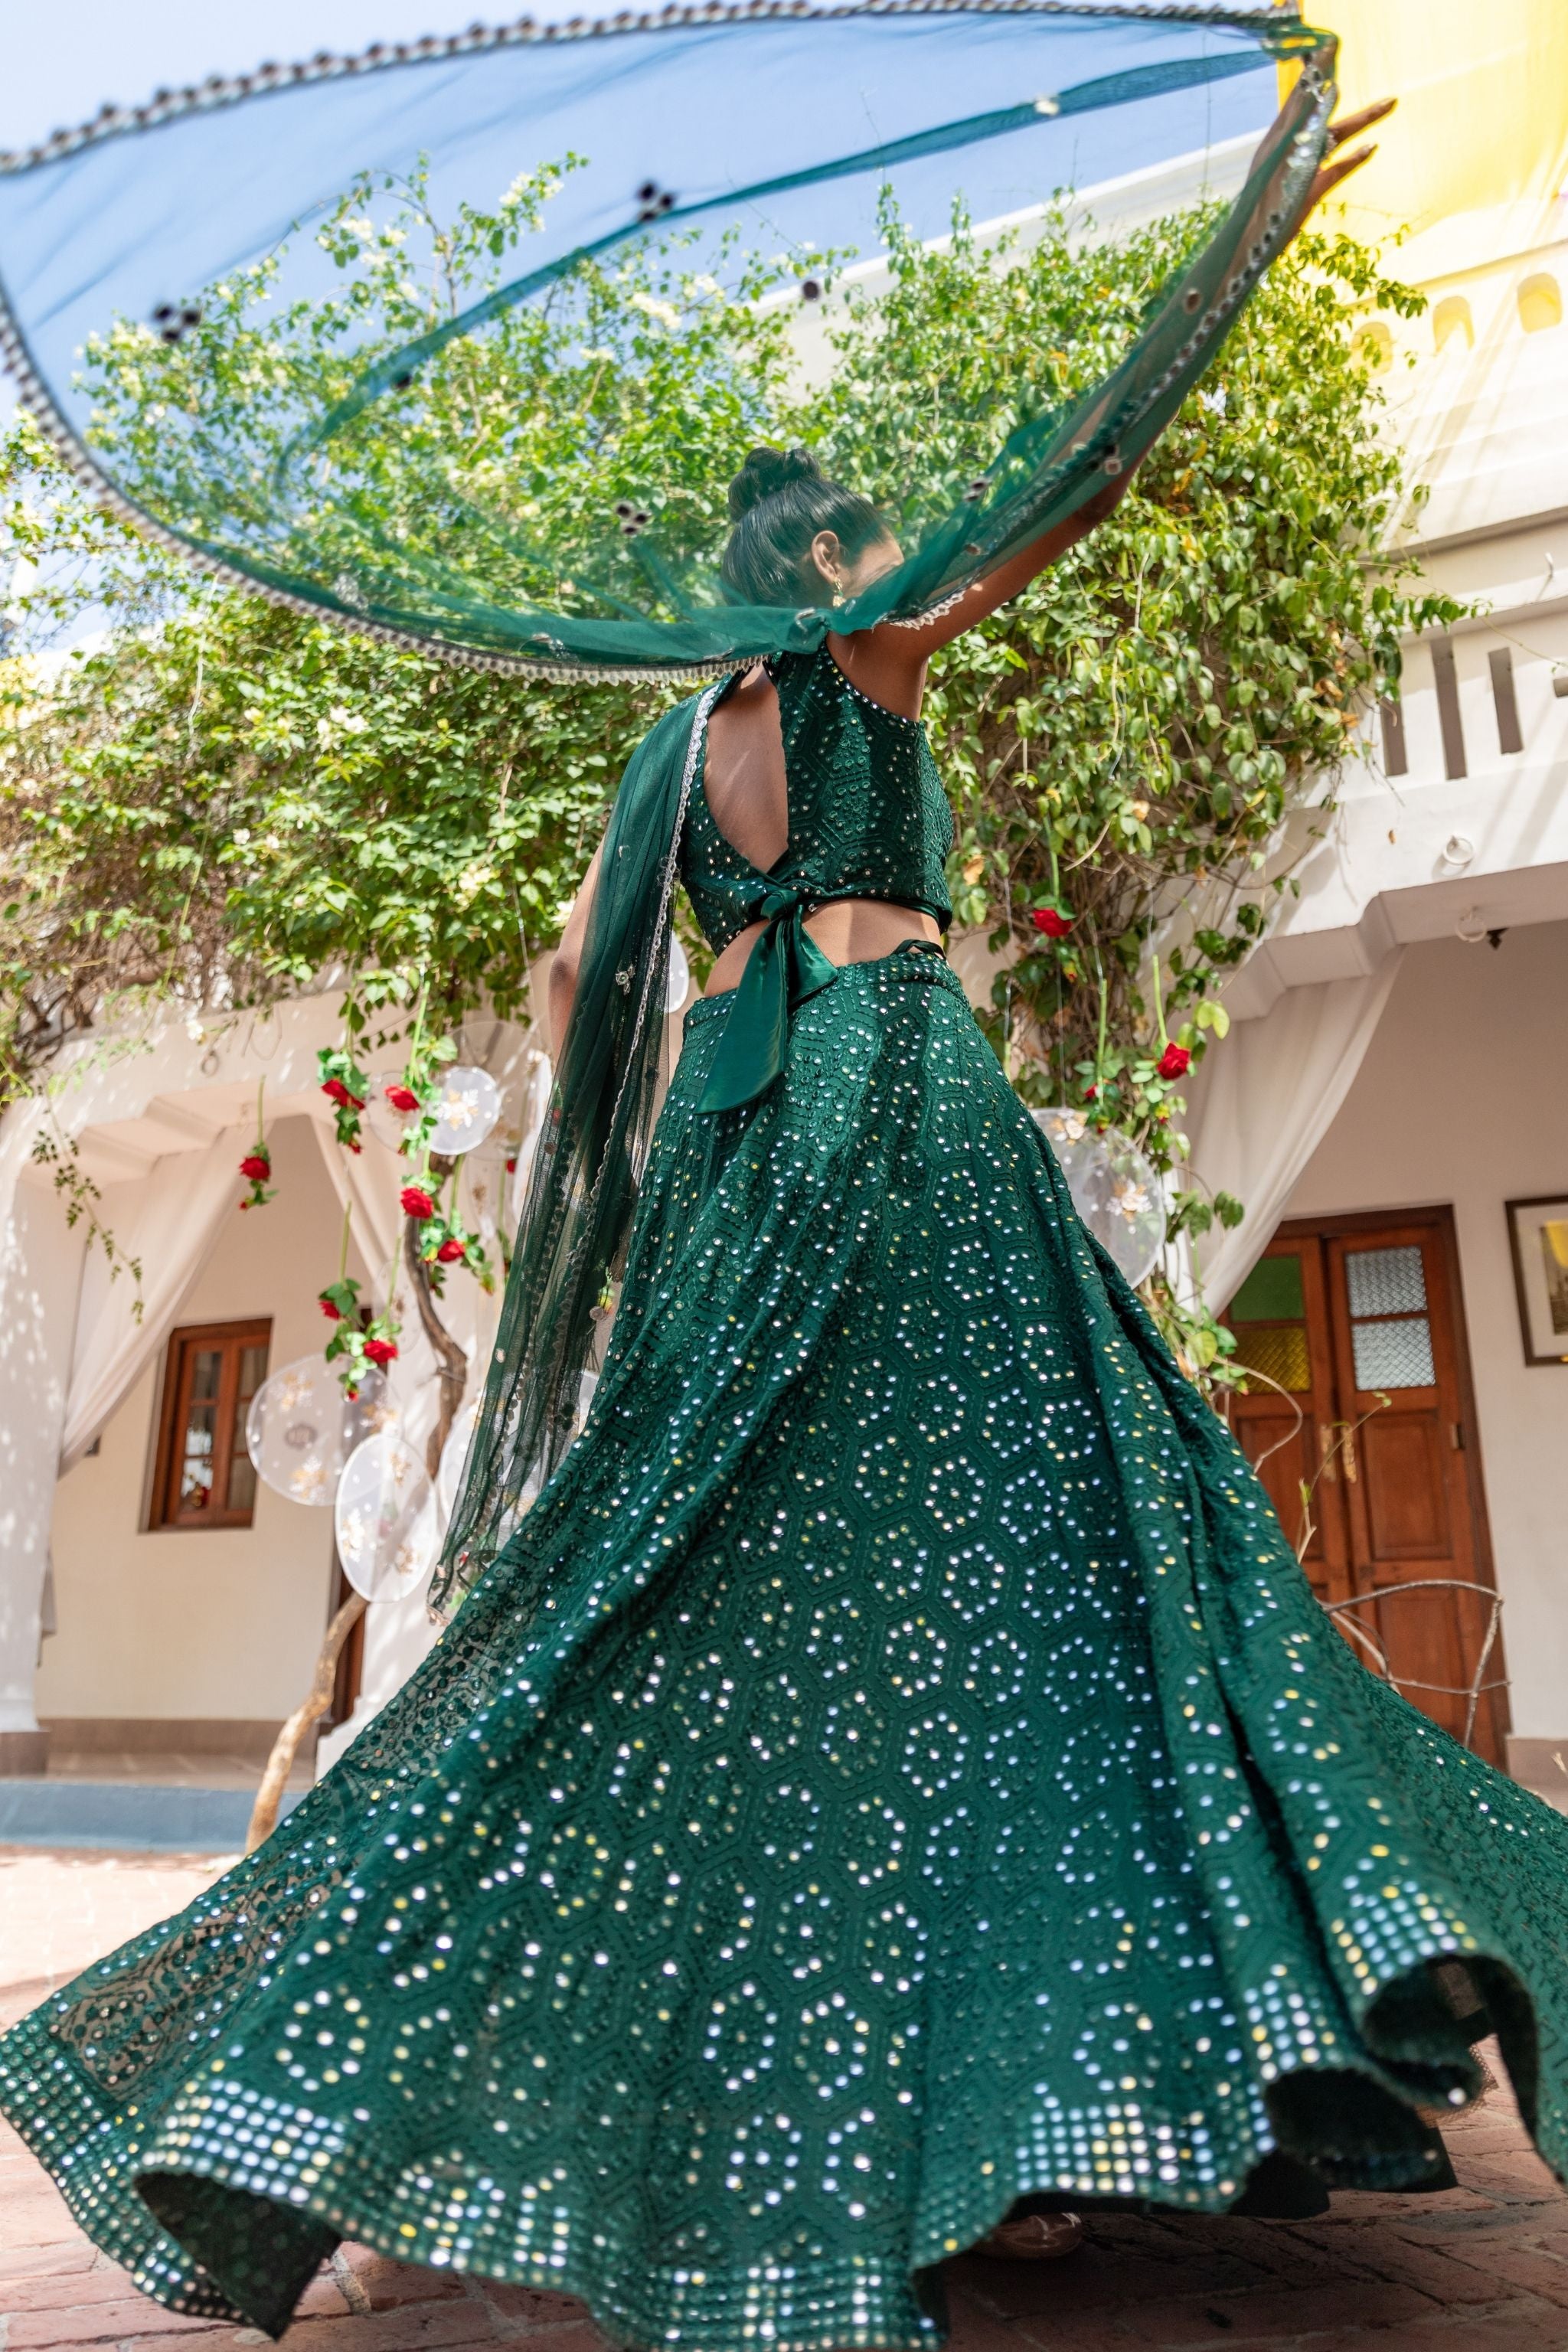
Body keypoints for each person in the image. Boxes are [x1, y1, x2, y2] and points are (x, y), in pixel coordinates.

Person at [17, 96, 1568, 2352]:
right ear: (824, 562)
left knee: (726, 1579)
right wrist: (1213, 288)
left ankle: (880, 2122)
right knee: (1016, 1561)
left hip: (746, 1147)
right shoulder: (864, 664)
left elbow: (574, 998)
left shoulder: (672, 753)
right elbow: (1060, 504)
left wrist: (685, 1108)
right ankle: (1017, 2107)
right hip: (893, 1101)